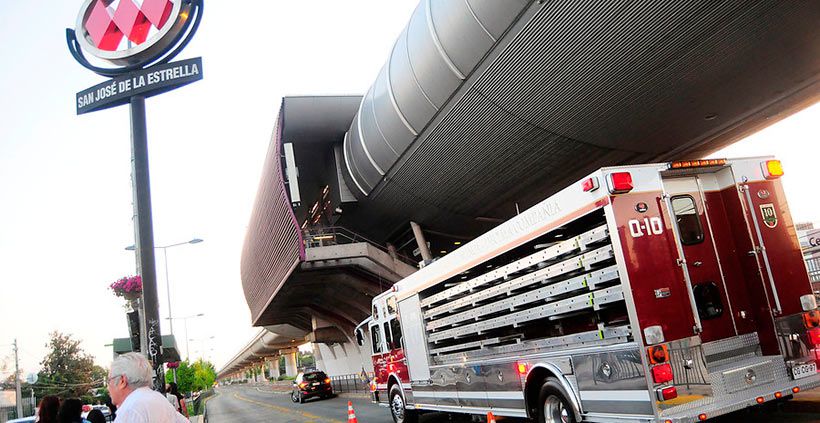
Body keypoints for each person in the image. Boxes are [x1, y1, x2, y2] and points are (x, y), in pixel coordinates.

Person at [107, 352, 188, 422]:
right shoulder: (158, 398)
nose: (108, 388)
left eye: (109, 381)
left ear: (122, 381)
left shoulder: (130, 410)